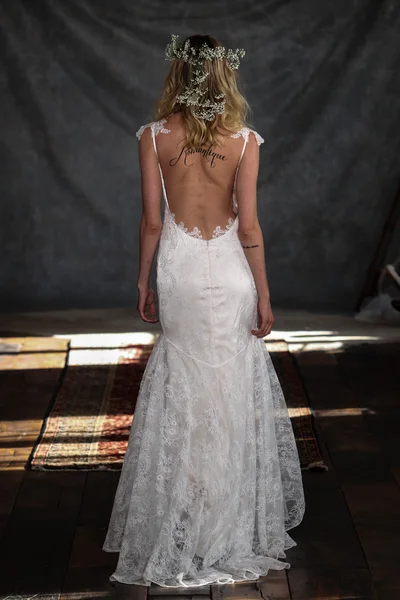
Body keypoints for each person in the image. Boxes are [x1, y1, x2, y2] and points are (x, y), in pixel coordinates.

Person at [103, 33, 305, 588]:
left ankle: (185, 523)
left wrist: (143, 279)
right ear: (222, 75)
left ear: (178, 74)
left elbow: (150, 220)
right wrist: (263, 293)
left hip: (182, 273)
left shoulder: (154, 136)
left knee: (185, 390)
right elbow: (249, 226)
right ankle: (227, 524)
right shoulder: (243, 140)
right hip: (231, 271)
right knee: (229, 393)